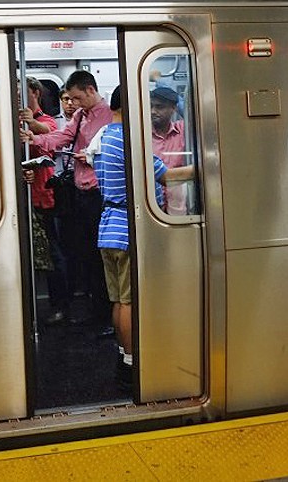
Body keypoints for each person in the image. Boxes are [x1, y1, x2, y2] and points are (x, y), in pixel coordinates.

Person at [90, 85, 193, 390]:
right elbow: (167, 176)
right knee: (130, 301)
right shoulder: (129, 140)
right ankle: (132, 363)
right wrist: (206, 168)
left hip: (107, 228)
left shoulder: (104, 137)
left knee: (118, 301)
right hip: (127, 231)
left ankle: (124, 354)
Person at [21, 70, 113, 335]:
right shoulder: (80, 116)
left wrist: (93, 157)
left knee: (100, 257)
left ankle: (108, 316)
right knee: (85, 255)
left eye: (77, 97)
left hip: (99, 194)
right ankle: (97, 311)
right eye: (70, 98)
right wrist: (35, 139)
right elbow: (61, 137)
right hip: (80, 193)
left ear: (91, 91)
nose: (73, 103)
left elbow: (117, 152)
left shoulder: (109, 116)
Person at [19, 77, 70, 325]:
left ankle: (60, 304)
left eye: (23, 92)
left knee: (53, 253)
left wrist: (31, 124)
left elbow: (50, 133)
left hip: (44, 195)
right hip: (22, 197)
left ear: (36, 94)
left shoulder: (45, 119)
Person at [150, 86, 188, 215]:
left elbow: (193, 115)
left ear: (173, 108)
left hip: (178, 206)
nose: (153, 111)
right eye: (151, 106)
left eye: (159, 107)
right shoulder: (143, 134)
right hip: (150, 206)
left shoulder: (183, 130)